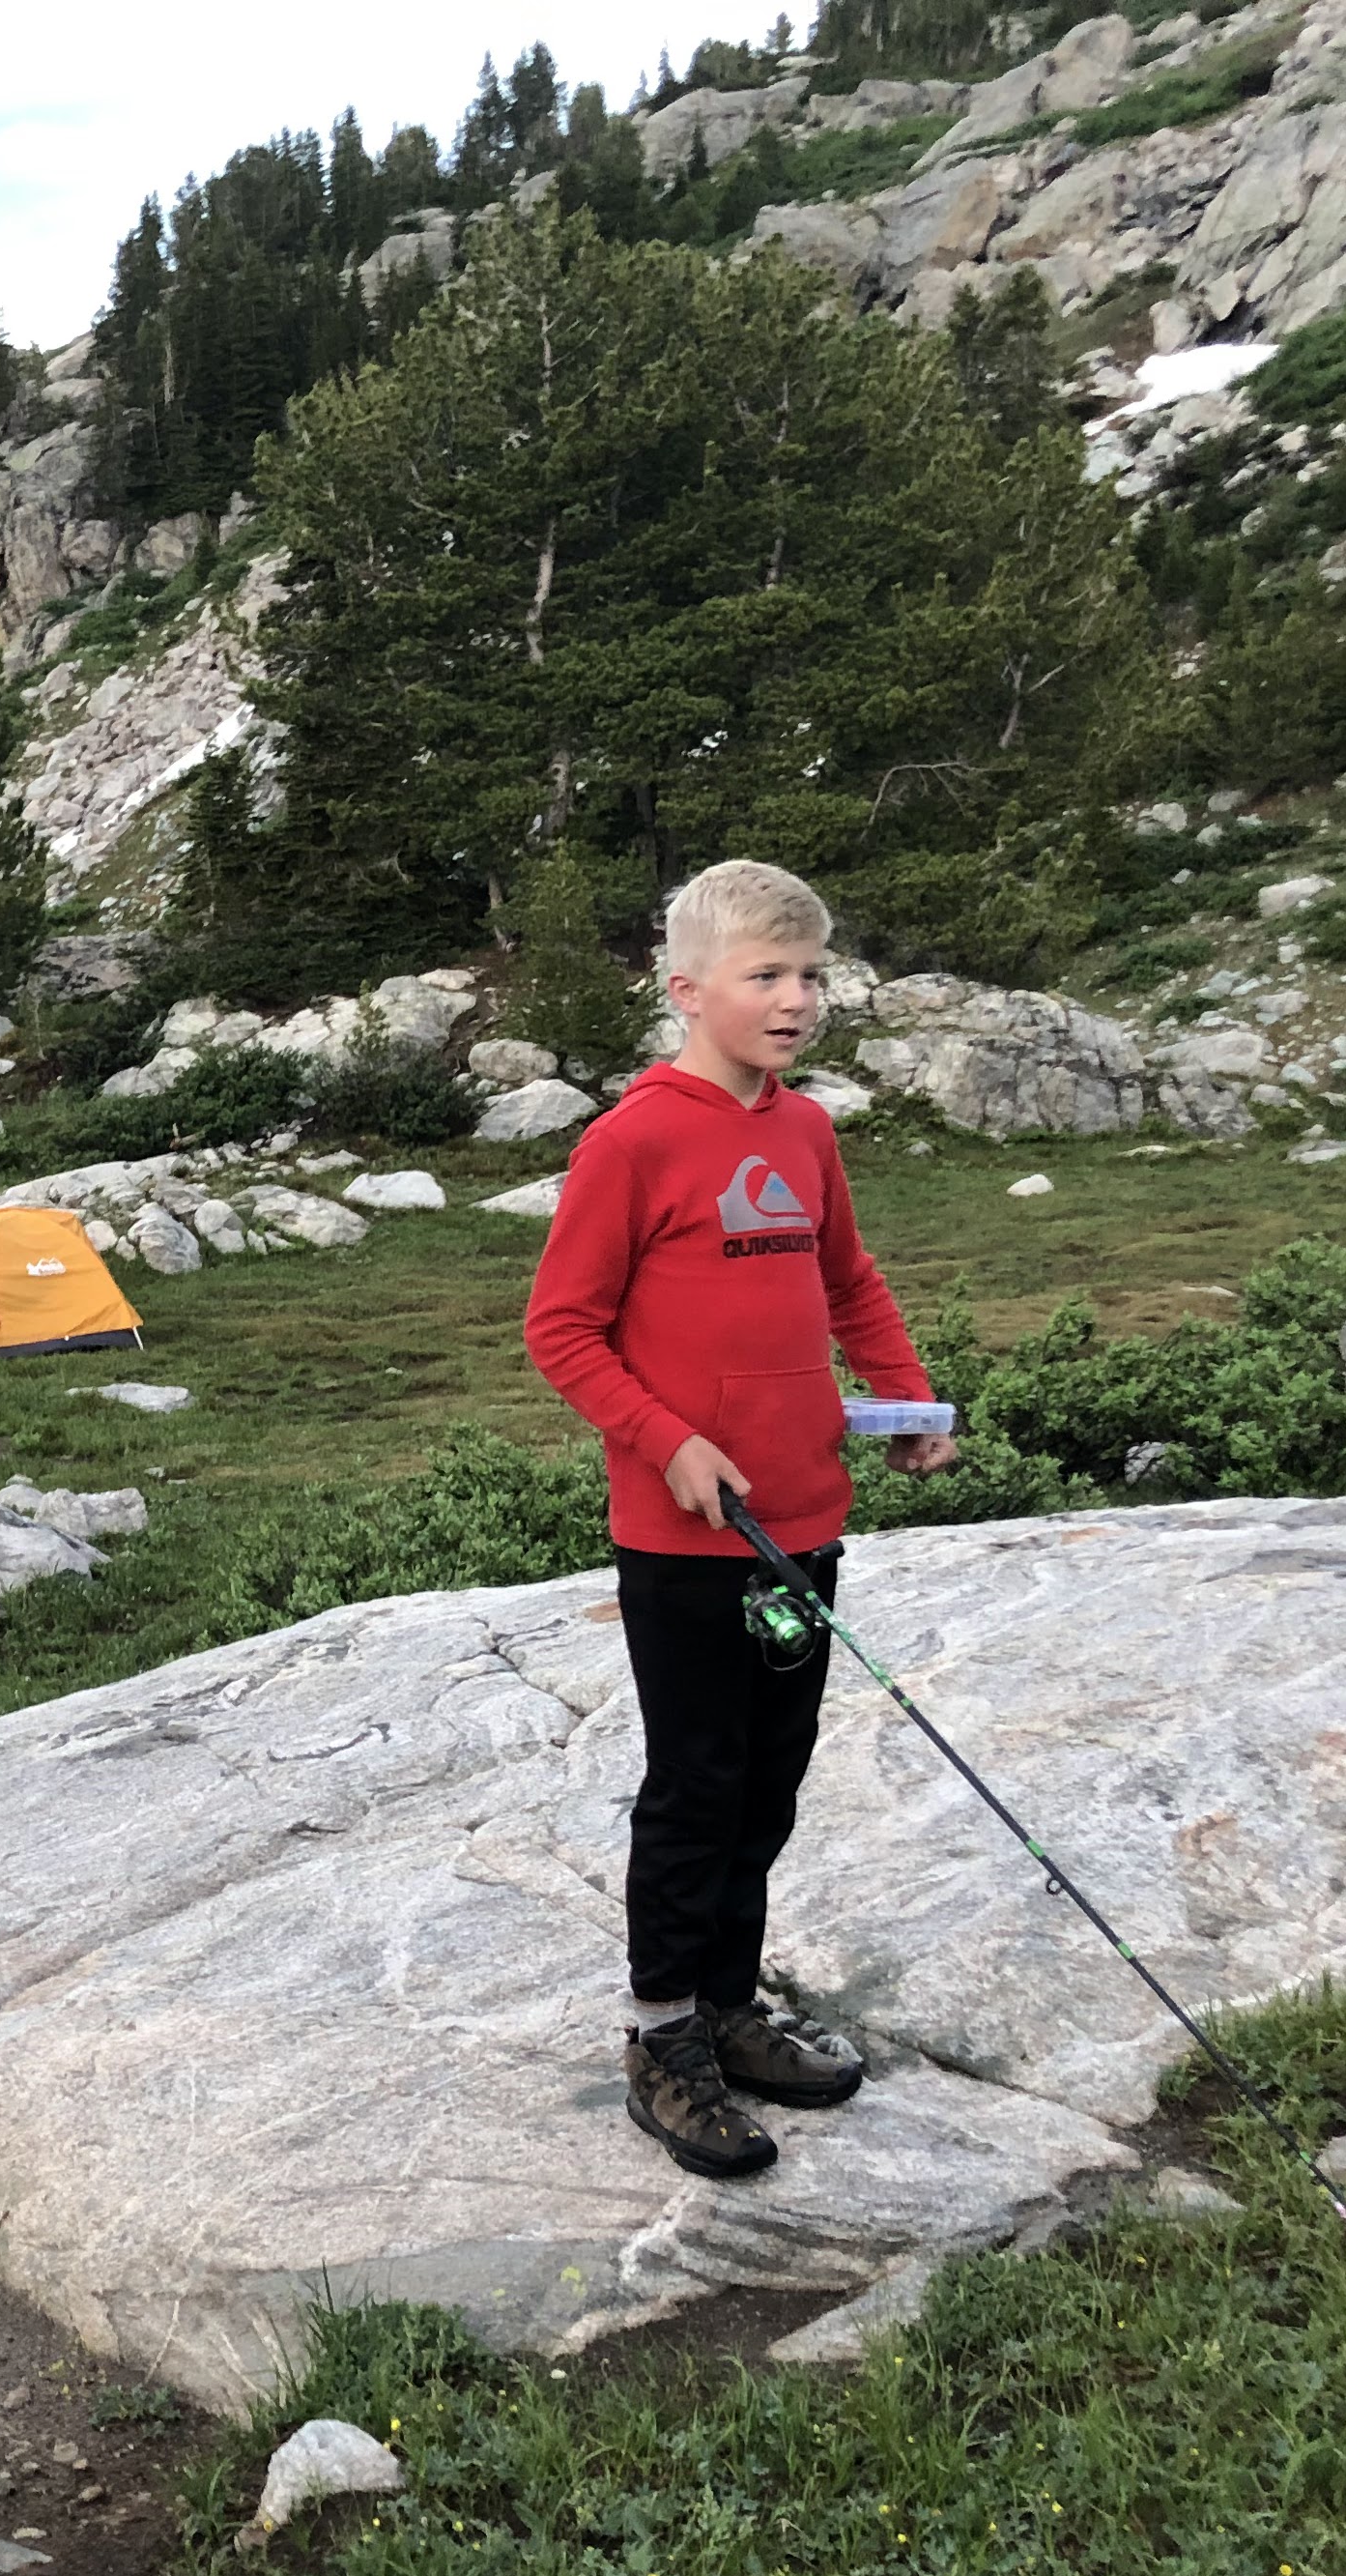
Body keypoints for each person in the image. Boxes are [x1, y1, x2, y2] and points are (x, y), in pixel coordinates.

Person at [523, 859, 959, 2179]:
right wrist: (669, 1443)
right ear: (687, 990)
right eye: (767, 975)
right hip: (683, 1541)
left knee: (768, 1781)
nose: (797, 998)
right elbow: (561, 1329)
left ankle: (730, 2005)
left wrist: (905, 1394)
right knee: (697, 1785)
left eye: (811, 974)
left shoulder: (807, 1135)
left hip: (806, 1522)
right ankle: (664, 2038)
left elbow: (848, 1281)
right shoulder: (634, 1140)